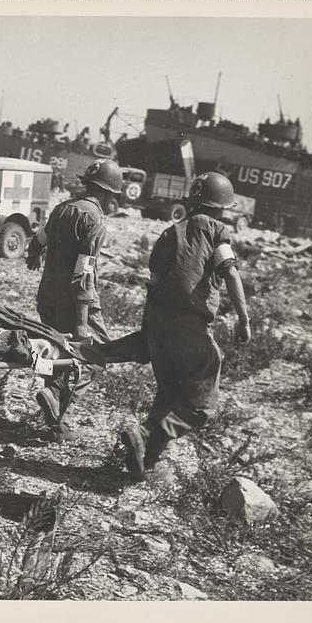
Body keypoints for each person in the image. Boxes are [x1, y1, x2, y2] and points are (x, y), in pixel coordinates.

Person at [120, 172, 251, 481]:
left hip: (158, 323)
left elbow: (152, 284)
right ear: (222, 207)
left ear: (192, 202)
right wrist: (244, 319)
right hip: (190, 328)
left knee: (168, 395)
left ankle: (147, 462)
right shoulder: (218, 232)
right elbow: (230, 274)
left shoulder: (170, 232)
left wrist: (147, 332)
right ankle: (145, 432)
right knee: (200, 404)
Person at [25, 158, 121, 443]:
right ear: (109, 192)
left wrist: (34, 255)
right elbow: (83, 271)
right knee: (98, 356)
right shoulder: (95, 220)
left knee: (54, 353)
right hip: (75, 303)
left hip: (48, 298)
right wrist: (82, 321)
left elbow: (39, 239)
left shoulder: (62, 209)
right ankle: (56, 399)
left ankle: (55, 420)